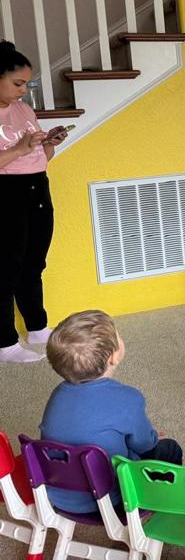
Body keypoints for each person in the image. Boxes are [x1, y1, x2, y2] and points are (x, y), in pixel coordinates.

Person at [40, 310, 183, 513]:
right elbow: (145, 445)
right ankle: (164, 500)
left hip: (61, 494)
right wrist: (150, 439)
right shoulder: (128, 398)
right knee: (169, 449)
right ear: (113, 357)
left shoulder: (57, 395)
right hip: (113, 497)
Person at [0, 41, 67, 364]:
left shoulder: (24, 111)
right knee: (5, 269)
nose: (24, 91)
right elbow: (19, 154)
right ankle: (4, 343)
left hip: (37, 187)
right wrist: (21, 149)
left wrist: (48, 143)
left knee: (33, 264)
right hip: (6, 193)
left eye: (27, 84)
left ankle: (37, 327)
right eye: (18, 84)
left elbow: (39, 157)